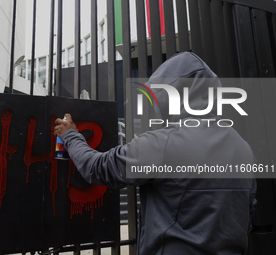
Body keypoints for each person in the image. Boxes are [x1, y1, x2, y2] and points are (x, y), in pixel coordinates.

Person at [54, 52, 257, 255]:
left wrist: (71, 136)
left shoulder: (165, 143)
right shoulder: (243, 147)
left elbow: (97, 168)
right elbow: (248, 212)